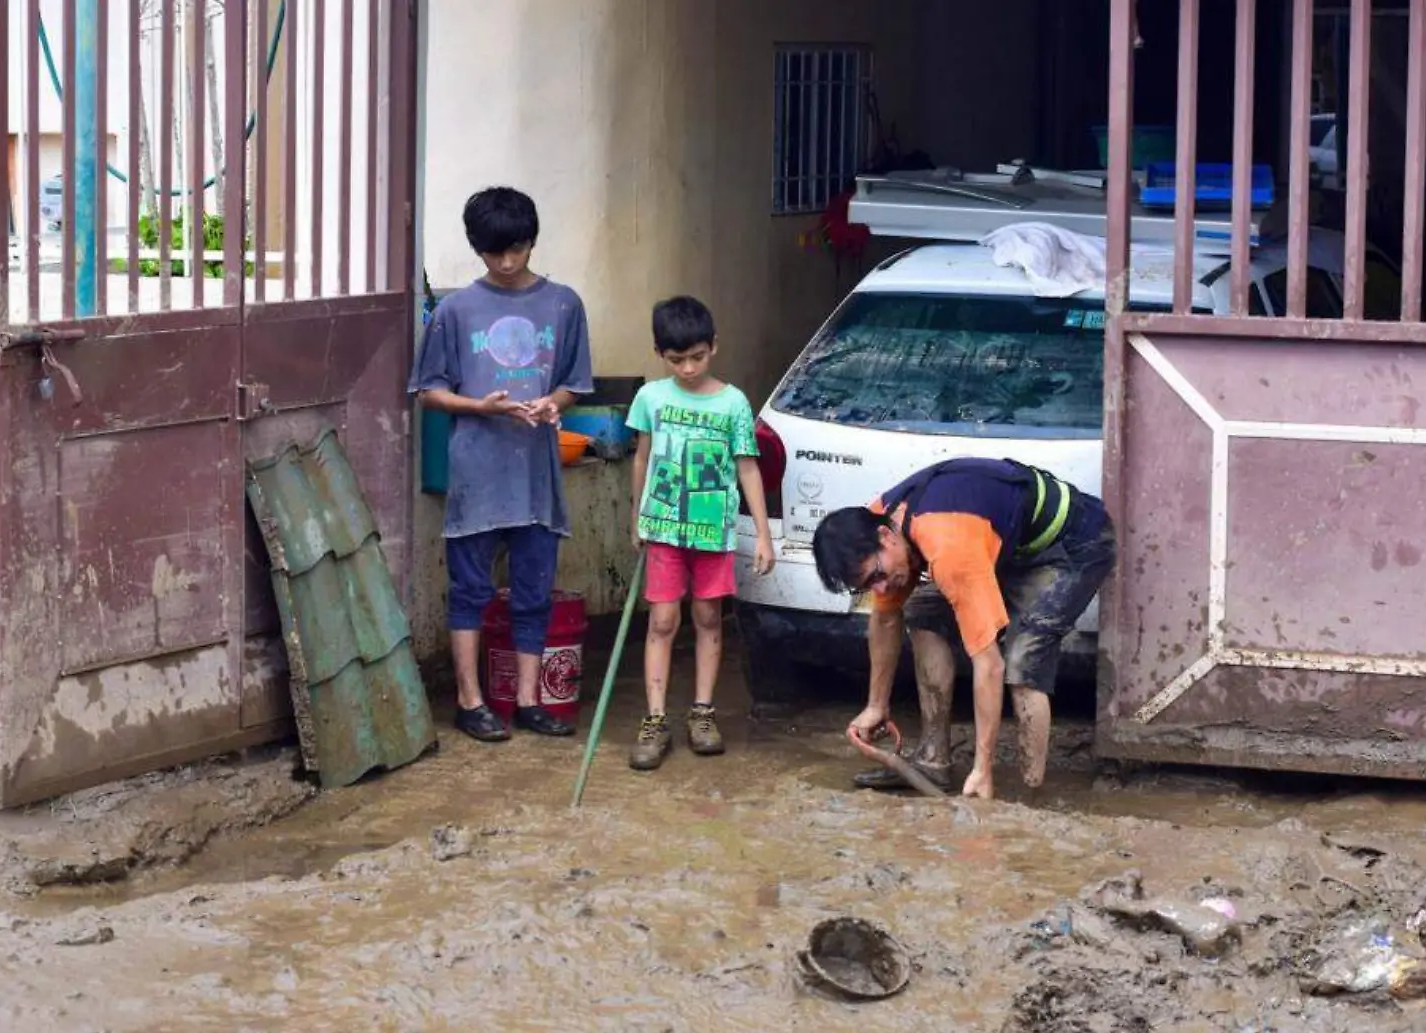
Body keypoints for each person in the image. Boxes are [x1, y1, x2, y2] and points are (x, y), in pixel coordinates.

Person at [811, 458, 1116, 798]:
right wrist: (876, 705)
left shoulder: (949, 546)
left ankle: (1029, 795)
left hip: (1075, 543)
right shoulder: (875, 521)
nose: (880, 589)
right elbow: (884, 618)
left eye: (878, 576)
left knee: (1023, 660)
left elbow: (989, 664)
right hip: (1008, 542)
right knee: (922, 612)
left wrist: (982, 768)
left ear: (886, 536)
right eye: (866, 586)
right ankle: (933, 762)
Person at [408, 186, 594, 743]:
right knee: (470, 589)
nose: (508, 263)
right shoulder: (456, 310)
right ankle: (470, 701)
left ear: (532, 241)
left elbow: (574, 383)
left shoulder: (564, 304)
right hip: (476, 472)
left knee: (535, 589)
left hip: (536, 471)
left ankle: (530, 701)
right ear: (477, 249)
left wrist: (551, 404)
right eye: (495, 254)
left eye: (516, 250)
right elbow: (427, 390)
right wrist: (476, 406)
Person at [625, 296, 776, 770]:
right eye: (676, 359)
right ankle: (654, 720)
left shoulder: (733, 403)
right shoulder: (651, 398)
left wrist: (764, 534)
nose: (688, 368)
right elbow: (642, 459)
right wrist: (636, 517)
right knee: (663, 621)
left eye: (697, 356)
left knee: (709, 617)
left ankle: (703, 713)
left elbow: (747, 469)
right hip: (664, 529)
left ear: (714, 346)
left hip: (714, 532)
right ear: (659, 354)